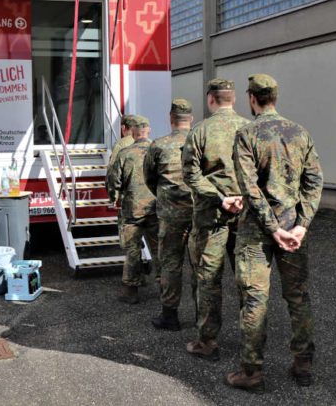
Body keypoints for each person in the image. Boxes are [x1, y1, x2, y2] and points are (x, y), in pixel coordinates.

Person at [224, 74, 323, 394]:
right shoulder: (299, 133)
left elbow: (250, 189)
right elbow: (314, 183)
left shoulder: (247, 134)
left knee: (254, 300)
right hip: (293, 230)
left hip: (256, 232)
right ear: (275, 98)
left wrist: (272, 228)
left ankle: (252, 371)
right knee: (298, 297)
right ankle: (303, 364)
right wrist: (300, 226)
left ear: (252, 98)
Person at [181, 79, 250, 360]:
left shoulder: (200, 130)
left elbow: (191, 175)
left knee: (209, 278)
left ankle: (207, 343)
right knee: (246, 278)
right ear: (233, 100)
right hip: (247, 213)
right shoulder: (249, 128)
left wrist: (220, 197)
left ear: (211, 99)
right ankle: (251, 343)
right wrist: (244, 197)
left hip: (212, 216)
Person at [143, 98, 194, 331]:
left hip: (171, 214)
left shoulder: (159, 145)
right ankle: (203, 316)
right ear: (190, 119)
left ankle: (170, 316)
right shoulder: (200, 140)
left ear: (171, 119)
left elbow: (150, 178)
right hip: (198, 212)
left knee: (171, 264)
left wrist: (165, 196)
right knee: (202, 265)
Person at [107, 116, 159, 304]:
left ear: (132, 133)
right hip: (156, 207)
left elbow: (114, 180)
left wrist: (114, 197)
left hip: (132, 209)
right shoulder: (159, 150)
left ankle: (131, 291)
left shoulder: (125, 152)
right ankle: (166, 287)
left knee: (132, 248)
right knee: (159, 248)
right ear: (148, 131)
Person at [106, 114, 137, 202]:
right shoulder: (147, 143)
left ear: (123, 127)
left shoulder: (120, 145)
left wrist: (113, 196)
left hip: (128, 198)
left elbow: (112, 173)